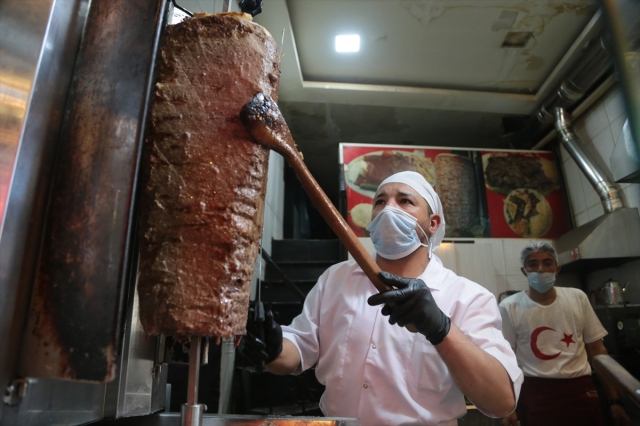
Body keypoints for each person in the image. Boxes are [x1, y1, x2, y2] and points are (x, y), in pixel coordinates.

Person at [241, 171, 523, 425]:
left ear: (433, 222)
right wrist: (273, 348)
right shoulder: (336, 279)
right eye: (380, 201)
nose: (388, 209)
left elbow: (501, 402)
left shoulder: (467, 297)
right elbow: (299, 350)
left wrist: (441, 329)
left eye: (404, 201)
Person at [499, 241, 631, 426]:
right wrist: (510, 407)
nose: (540, 269)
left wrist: (614, 401)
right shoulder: (510, 307)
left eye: (547, 263)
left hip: (581, 391)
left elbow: (598, 351)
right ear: (524, 271)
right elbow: (506, 360)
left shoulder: (577, 298)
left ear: (557, 269)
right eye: (533, 264)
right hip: (535, 394)